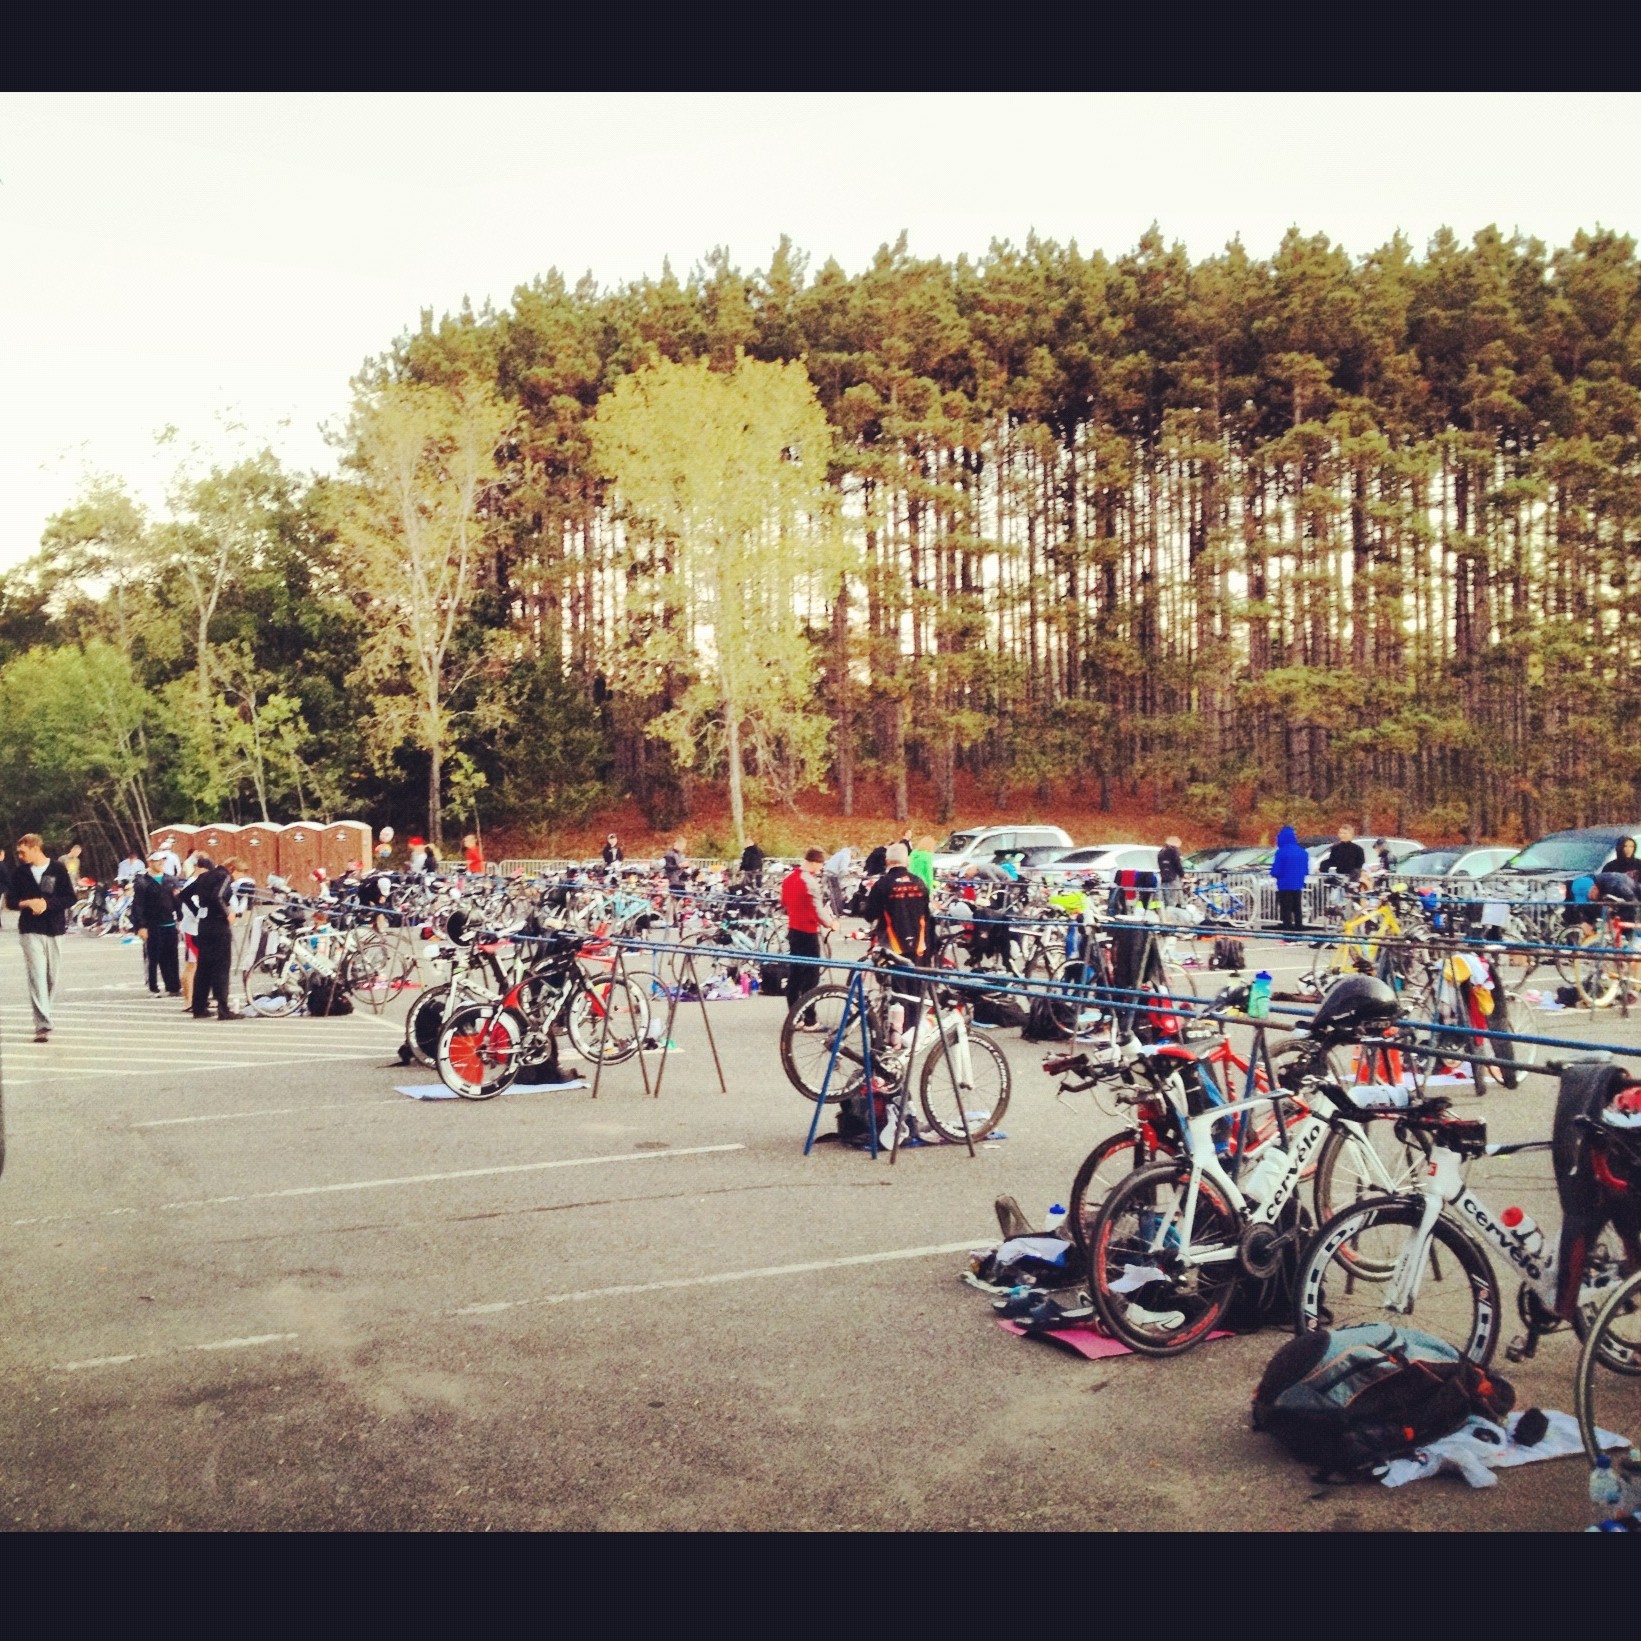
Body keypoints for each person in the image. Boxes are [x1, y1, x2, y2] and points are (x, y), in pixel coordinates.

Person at [6, 834, 79, 1041]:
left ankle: (45, 1011)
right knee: (36, 975)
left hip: (54, 928)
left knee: (51, 976)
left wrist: (47, 904)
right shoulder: (20, 873)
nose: (20, 856)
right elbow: (10, 901)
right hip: (30, 929)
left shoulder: (57, 869)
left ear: (36, 847)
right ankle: (42, 1024)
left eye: (23, 851)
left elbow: (70, 898)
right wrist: (28, 903)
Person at [179, 853, 240, 1021]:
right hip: (219, 924)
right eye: (238, 875)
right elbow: (218, 896)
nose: (236, 880)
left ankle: (198, 1008)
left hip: (203, 925)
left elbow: (183, 894)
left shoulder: (204, 876)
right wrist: (227, 913)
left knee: (204, 967)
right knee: (221, 967)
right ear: (233, 869)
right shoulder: (225, 876)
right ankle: (223, 1009)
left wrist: (196, 911)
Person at [781, 848, 837, 1012]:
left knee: (795, 975)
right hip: (808, 932)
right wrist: (830, 923)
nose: (821, 868)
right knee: (811, 976)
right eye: (821, 864)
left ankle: (794, 1014)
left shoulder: (789, 878)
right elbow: (817, 909)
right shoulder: (810, 882)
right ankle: (809, 1017)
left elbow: (784, 901)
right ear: (814, 862)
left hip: (793, 930)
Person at [864, 843, 933, 964]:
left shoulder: (882, 884)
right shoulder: (919, 882)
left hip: (891, 940)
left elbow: (870, 914)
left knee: (896, 977)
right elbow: (926, 913)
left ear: (887, 861)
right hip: (917, 937)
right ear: (907, 861)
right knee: (913, 976)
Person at [131, 852, 182, 998]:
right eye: (157, 860)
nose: (160, 862)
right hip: (152, 925)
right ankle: (153, 987)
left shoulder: (170, 880)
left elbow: (177, 902)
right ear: (150, 862)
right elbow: (138, 906)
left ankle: (173, 986)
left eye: (162, 860)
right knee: (153, 957)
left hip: (170, 924)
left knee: (172, 956)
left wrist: (180, 918)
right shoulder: (142, 882)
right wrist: (141, 926)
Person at [1271, 825, 1310, 933]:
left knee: (1286, 910)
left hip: (1284, 885)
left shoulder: (1281, 852)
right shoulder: (1303, 852)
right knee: (1297, 908)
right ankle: (1299, 930)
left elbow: (1276, 870)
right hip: (1298, 884)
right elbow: (1306, 870)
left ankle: (1288, 933)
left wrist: (1274, 874)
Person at [177, 854, 203, 1010]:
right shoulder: (192, 884)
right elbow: (188, 908)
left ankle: (197, 997)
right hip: (191, 929)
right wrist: (201, 916)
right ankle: (188, 1000)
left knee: (198, 965)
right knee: (191, 965)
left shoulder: (199, 883)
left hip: (198, 929)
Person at [823, 843, 853, 918]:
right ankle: (838, 912)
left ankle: (830, 911)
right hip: (833, 875)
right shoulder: (846, 855)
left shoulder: (838, 854)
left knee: (829, 893)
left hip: (827, 873)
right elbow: (843, 868)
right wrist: (846, 874)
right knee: (836, 894)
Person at [1157, 836, 1185, 908]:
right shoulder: (1173, 851)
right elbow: (1177, 865)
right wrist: (1182, 874)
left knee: (1166, 899)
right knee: (1174, 898)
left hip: (1164, 878)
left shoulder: (1161, 852)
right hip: (1173, 878)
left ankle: (1167, 911)